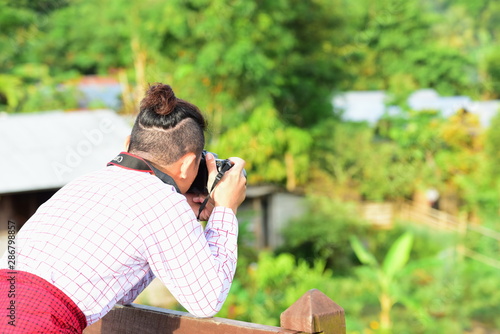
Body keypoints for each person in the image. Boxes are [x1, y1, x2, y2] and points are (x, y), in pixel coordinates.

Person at [0, 83, 247, 333]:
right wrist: (225, 209)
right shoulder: (162, 202)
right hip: (34, 323)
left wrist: (185, 221)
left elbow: (119, 291)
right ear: (187, 165)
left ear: (128, 143)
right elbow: (207, 300)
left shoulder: (85, 182)